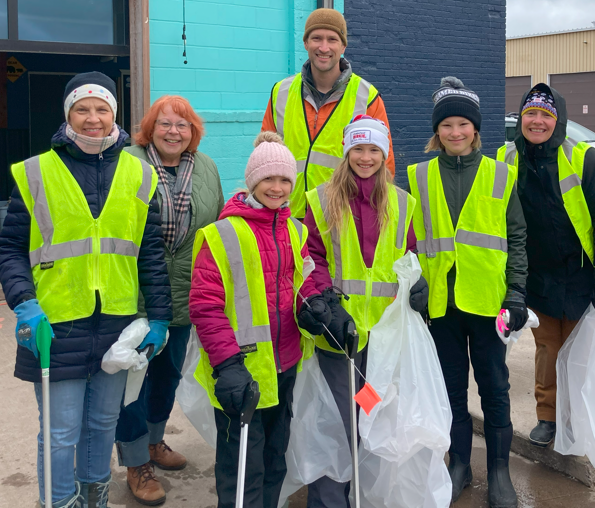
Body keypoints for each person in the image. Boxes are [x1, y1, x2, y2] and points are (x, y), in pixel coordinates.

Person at [0, 72, 171, 508]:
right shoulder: (37, 172)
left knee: (102, 423)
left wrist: (160, 316)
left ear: (114, 114)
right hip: (56, 323)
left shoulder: (139, 174)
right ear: (67, 115)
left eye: (102, 109)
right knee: (61, 431)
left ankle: (93, 498)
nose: (93, 118)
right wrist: (24, 301)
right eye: (82, 109)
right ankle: (58, 502)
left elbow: (150, 253)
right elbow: (11, 249)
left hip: (116, 324)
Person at [189, 131, 332, 508]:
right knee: (241, 469)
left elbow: (302, 283)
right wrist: (227, 364)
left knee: (274, 459)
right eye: (269, 178)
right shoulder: (220, 234)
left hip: (285, 364)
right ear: (252, 180)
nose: (277, 187)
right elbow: (205, 306)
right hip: (241, 371)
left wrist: (313, 306)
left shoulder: (295, 230)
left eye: (285, 179)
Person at [408, 77, 528, 508]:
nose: (455, 132)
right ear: (436, 131)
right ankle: (459, 462)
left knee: (495, 388)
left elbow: (516, 237)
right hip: (439, 304)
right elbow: (410, 240)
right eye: (447, 125)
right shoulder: (418, 176)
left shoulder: (500, 174)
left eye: (463, 124)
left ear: (476, 129)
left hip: (487, 301)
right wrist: (417, 282)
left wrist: (516, 293)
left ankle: (499, 471)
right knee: (450, 388)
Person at [304, 115, 424, 508]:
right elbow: (312, 258)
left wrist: (416, 283)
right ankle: (329, 499)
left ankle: (363, 491)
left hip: (383, 338)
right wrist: (326, 303)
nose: (366, 157)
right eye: (358, 148)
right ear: (346, 152)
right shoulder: (322, 199)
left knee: (371, 413)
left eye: (374, 149)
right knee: (338, 422)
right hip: (338, 333)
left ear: (385, 154)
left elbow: (408, 256)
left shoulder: (402, 202)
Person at [497, 84, 595, 448]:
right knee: (549, 349)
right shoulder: (504, 159)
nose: (537, 121)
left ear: (558, 120)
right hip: (536, 276)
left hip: (581, 274)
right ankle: (548, 417)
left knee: (580, 352)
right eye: (530, 114)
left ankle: (576, 418)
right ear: (521, 119)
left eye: (546, 115)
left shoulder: (584, 159)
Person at [115, 95, 224, 505]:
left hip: (184, 296)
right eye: (164, 124)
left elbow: (216, 223)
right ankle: (134, 461)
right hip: (136, 296)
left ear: (193, 130)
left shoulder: (207, 168)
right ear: (150, 127)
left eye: (182, 125)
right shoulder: (128, 162)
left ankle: (155, 443)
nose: (173, 132)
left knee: (168, 378)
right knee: (133, 385)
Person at [261, 8, 395, 218]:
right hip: (287, 217)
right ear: (305, 43)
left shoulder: (366, 96)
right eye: (316, 38)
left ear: (343, 46)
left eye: (332, 39)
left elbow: (384, 167)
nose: (324, 47)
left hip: (341, 217)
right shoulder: (281, 92)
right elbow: (264, 157)